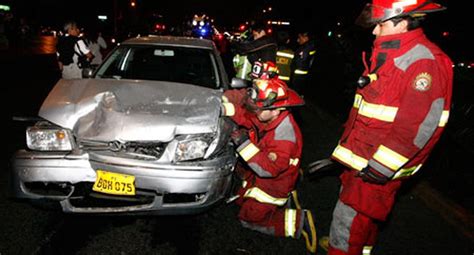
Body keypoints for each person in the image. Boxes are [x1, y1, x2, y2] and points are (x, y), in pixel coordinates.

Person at [321, 0, 453, 254]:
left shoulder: (423, 61)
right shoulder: (394, 53)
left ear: (402, 23)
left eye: (380, 25)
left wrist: (380, 168)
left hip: (377, 165)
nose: (374, 31)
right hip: (365, 160)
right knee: (364, 220)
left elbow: (416, 126)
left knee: (347, 222)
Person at [221, 61, 317, 253]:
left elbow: (267, 169)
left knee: (247, 217)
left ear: (276, 109)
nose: (255, 111)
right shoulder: (269, 115)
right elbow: (250, 118)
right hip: (261, 174)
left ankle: (299, 222)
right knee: (241, 200)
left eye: (258, 108)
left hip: (274, 184)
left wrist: (243, 143)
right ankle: (286, 199)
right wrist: (227, 110)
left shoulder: (285, 137)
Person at [290, 29, 316, 96]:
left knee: (296, 94)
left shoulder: (306, 48)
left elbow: (301, 61)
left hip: (299, 76)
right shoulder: (309, 46)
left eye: (300, 37)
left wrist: (293, 68)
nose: (298, 40)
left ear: (305, 38)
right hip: (301, 75)